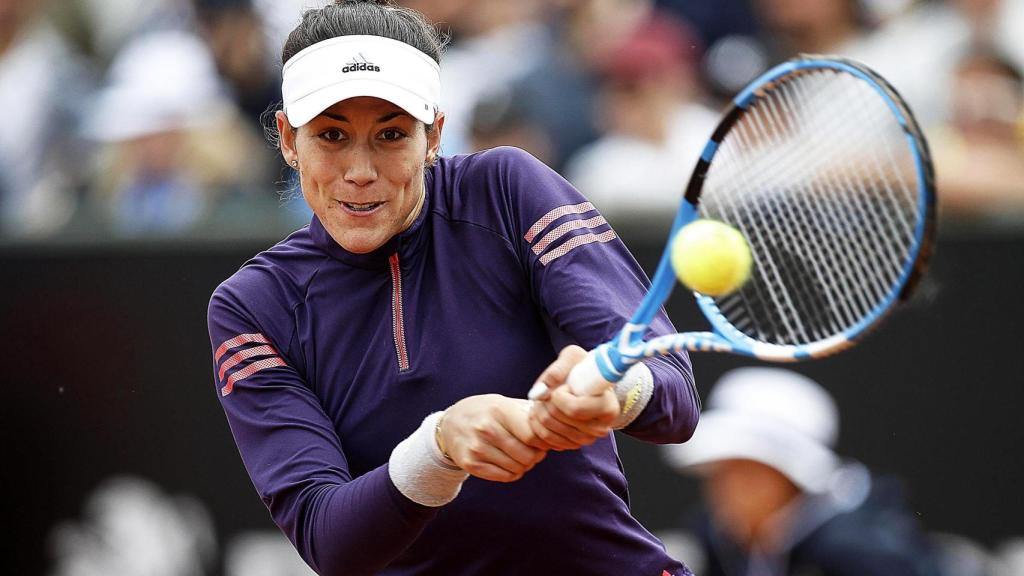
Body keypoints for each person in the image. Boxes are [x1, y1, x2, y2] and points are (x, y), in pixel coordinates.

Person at [205, 2, 699, 575]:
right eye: (331, 135)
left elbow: (674, 400)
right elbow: (328, 540)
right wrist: (440, 447)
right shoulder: (252, 306)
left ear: (434, 133)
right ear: (289, 139)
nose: (360, 170)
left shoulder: (507, 190)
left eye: (391, 135)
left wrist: (612, 393)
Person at [662, 367, 943, 576]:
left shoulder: (862, 554)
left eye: (748, 474)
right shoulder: (713, 537)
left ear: (791, 479)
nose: (725, 489)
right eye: (720, 470)